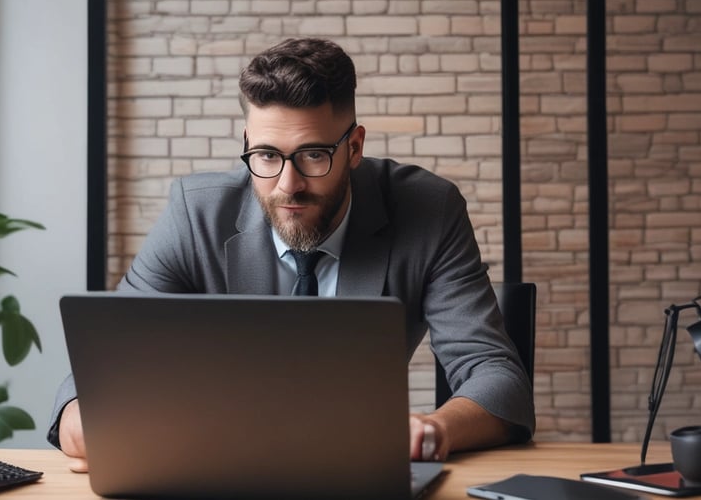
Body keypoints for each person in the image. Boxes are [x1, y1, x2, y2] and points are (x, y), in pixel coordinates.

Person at [49, 37, 535, 472]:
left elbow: (496, 375)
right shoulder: (195, 216)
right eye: (266, 155)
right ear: (246, 144)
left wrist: (436, 429)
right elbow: (94, 379)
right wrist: (89, 424)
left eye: (313, 155)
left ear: (355, 146)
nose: (288, 185)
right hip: (221, 475)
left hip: (360, 477)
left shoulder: (428, 209)